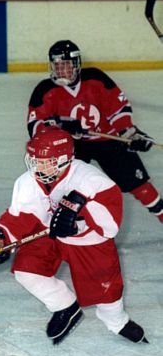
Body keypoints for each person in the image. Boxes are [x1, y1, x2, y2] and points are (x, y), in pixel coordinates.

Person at [0, 127, 147, 345]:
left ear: (63, 158)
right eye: (35, 159)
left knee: (107, 291)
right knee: (26, 270)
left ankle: (117, 321)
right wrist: (1, 236)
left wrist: (78, 222)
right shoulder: (26, 181)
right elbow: (20, 217)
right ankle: (64, 306)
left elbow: (110, 226)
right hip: (47, 234)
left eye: (45, 161)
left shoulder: (93, 181)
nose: (38, 166)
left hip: (88, 241)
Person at [27, 39, 163, 223]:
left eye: (66, 65)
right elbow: (35, 126)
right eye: (57, 65)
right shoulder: (45, 90)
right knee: (62, 189)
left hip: (106, 140)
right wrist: (60, 125)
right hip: (70, 147)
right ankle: (61, 228)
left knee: (138, 183)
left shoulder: (95, 79)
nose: (61, 70)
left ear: (77, 64)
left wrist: (131, 134)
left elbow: (118, 109)